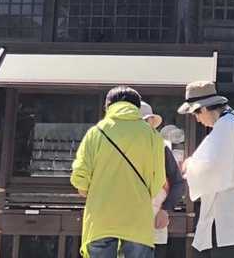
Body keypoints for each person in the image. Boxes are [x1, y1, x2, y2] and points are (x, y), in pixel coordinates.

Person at [70, 86, 168, 258]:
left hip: (101, 219)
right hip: (138, 219)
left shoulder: (96, 132)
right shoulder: (152, 136)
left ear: (108, 107)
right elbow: (158, 180)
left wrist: (90, 192)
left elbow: (80, 177)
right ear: (137, 108)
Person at [177, 81, 234, 257]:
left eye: (196, 114)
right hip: (228, 215)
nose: (197, 119)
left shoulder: (226, 126)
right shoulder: (228, 124)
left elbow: (213, 167)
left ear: (203, 109)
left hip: (224, 216)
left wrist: (189, 165)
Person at [138, 101, 188, 256]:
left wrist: (165, 210)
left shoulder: (161, 147)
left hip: (155, 218)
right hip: (126, 222)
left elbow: (178, 182)